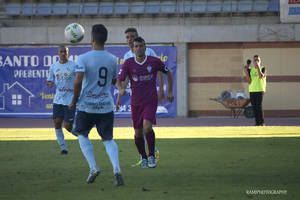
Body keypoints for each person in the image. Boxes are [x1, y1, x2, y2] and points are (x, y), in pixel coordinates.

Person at [69, 24, 124, 186]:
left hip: (87, 106)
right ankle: (117, 170)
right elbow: (114, 81)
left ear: (92, 38)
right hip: (106, 105)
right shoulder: (112, 59)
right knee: (107, 139)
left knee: (82, 134)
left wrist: (74, 99)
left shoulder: (83, 58)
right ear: (105, 39)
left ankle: (93, 167)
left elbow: (78, 81)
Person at [116, 37, 174, 168]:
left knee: (147, 127)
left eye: (141, 46)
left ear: (145, 47)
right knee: (137, 133)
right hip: (136, 103)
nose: (139, 48)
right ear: (133, 49)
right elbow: (119, 81)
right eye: (136, 46)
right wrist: (120, 91)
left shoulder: (154, 61)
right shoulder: (128, 63)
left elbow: (168, 72)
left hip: (150, 101)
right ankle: (143, 157)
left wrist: (170, 91)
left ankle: (152, 155)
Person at [46, 46, 76, 155]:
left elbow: (81, 79)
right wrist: (50, 83)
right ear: (58, 53)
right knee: (57, 123)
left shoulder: (74, 65)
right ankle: (63, 148)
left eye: (65, 52)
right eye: (61, 52)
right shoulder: (54, 66)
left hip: (70, 100)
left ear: (68, 53)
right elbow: (49, 80)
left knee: (68, 126)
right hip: (58, 100)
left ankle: (82, 134)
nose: (63, 53)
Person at [244, 55, 266, 126]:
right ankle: (257, 123)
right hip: (252, 90)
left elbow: (261, 76)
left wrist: (258, 67)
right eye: (255, 60)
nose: (256, 61)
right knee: (254, 107)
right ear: (253, 62)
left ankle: (262, 123)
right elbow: (249, 82)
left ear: (260, 61)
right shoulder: (251, 70)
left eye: (258, 60)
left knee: (259, 106)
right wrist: (246, 72)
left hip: (260, 90)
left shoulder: (263, 68)